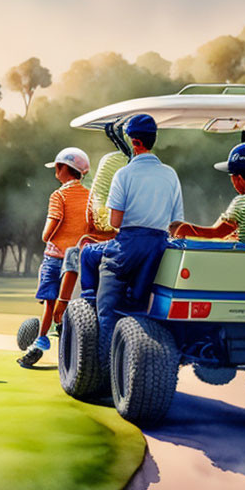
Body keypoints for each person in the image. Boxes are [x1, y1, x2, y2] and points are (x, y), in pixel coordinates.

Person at [97, 114, 183, 372]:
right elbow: (176, 223)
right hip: (159, 247)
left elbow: (115, 221)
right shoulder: (170, 174)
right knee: (141, 304)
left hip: (129, 246)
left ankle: (106, 370)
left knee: (106, 308)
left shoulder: (124, 174)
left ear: (134, 143)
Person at [18, 147, 90, 368]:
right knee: (69, 302)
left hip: (55, 256)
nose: (55, 172)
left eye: (57, 167)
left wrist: (47, 234)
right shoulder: (90, 196)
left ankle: (40, 343)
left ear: (64, 169)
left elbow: (48, 232)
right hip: (78, 259)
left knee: (50, 302)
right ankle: (67, 343)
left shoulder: (58, 195)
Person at [52, 148, 128, 324]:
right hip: (138, 240)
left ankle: (70, 306)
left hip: (121, 243)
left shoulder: (75, 195)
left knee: (77, 253)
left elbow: (105, 223)